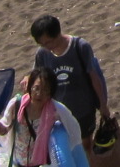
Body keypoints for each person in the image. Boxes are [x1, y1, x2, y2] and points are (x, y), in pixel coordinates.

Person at [30, 15, 112, 149]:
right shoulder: (42, 54)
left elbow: (94, 77)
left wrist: (103, 104)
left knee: (84, 146)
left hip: (83, 109)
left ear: (57, 34)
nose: (46, 47)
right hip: (57, 112)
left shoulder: (80, 47)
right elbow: (37, 79)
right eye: (42, 44)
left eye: (48, 42)